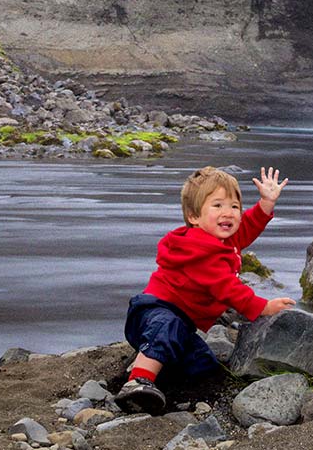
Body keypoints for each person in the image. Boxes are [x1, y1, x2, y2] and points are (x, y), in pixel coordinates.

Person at [114, 165, 296, 414]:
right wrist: (263, 307)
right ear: (194, 216)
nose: (228, 213)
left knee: (203, 364)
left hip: (181, 322)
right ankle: (137, 382)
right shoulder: (199, 250)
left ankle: (151, 373)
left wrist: (266, 202)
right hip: (153, 312)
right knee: (168, 328)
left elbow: (248, 227)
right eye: (218, 205)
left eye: (234, 206)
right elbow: (228, 288)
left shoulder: (223, 240)